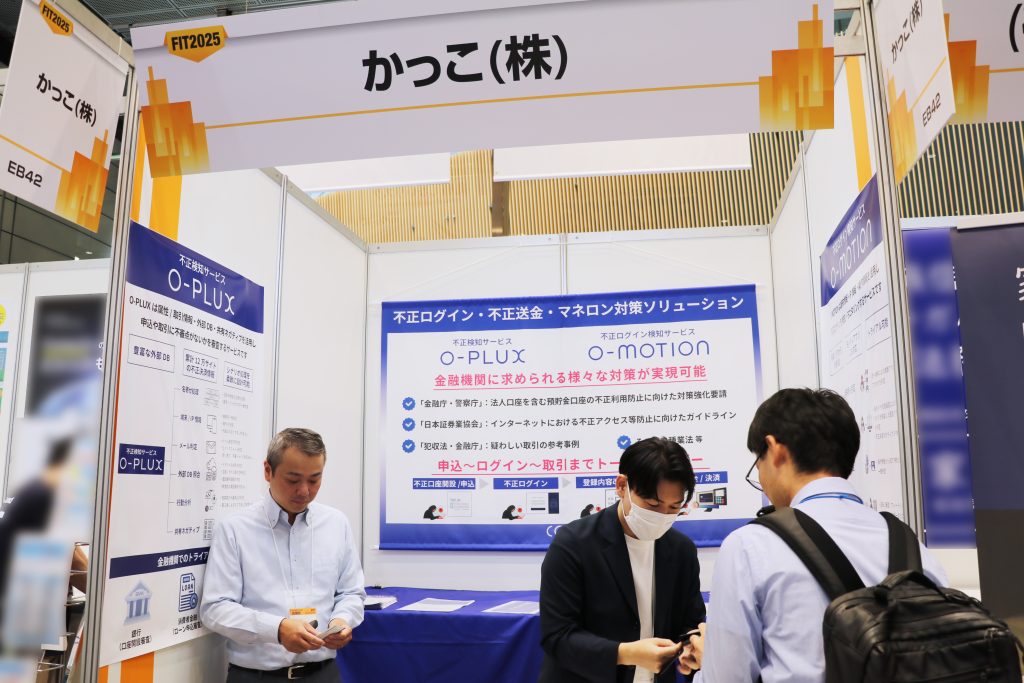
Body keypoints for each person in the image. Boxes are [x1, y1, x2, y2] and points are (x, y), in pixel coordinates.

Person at [678, 388, 947, 682]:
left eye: (758, 461)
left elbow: (727, 679)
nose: (760, 478)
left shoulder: (750, 546)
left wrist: (710, 659)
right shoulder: (911, 546)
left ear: (775, 450)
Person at [200, 428, 365, 682]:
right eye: (293, 479)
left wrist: (342, 620)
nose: (304, 491)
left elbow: (351, 593)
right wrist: (277, 629)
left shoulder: (336, 524)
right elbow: (215, 608)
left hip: (322, 674)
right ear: (268, 471)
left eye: (314, 480)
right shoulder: (235, 529)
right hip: (256, 676)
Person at [539, 437, 705, 683]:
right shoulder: (574, 544)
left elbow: (690, 622)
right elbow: (557, 636)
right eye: (652, 504)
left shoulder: (682, 550)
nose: (662, 516)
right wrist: (626, 653)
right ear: (621, 486)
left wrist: (692, 647)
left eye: (674, 508)